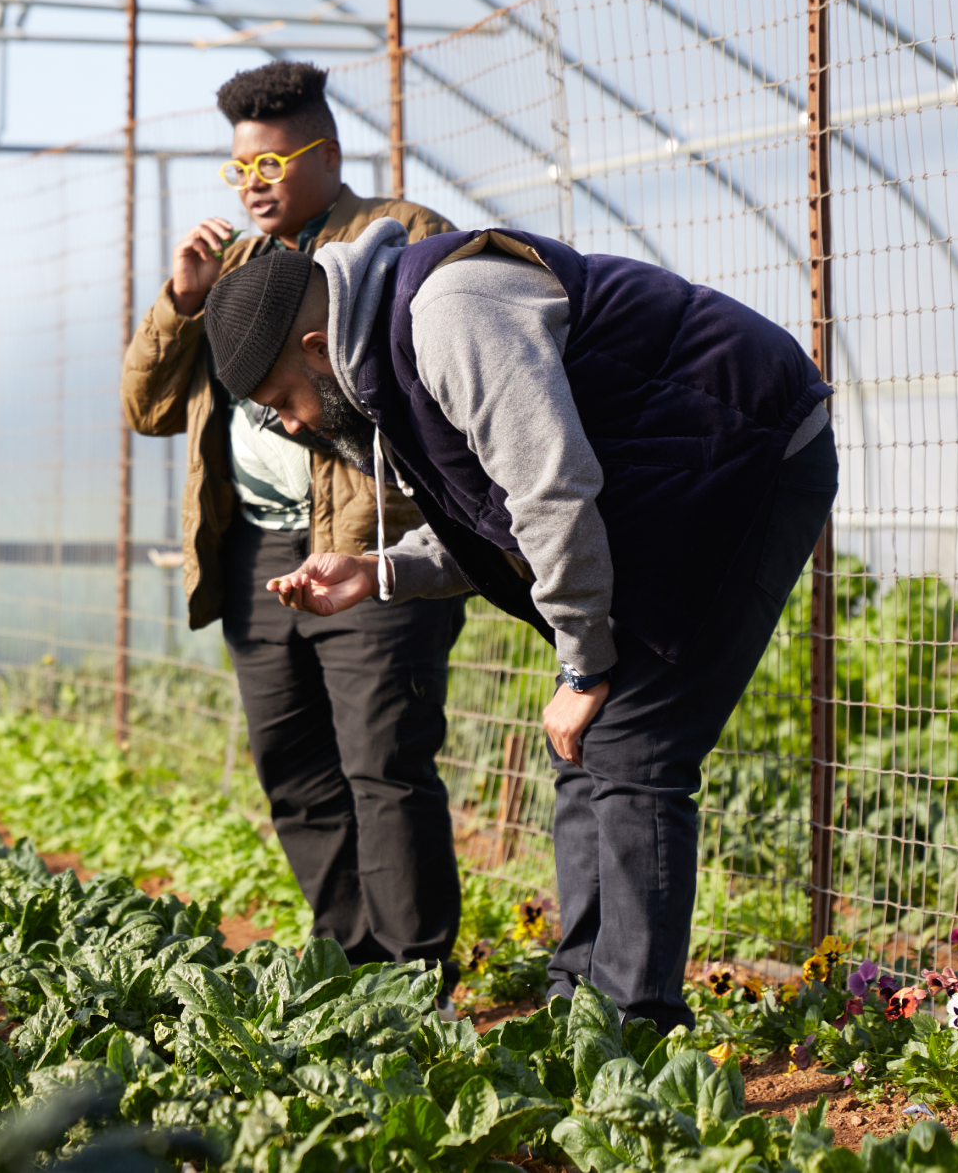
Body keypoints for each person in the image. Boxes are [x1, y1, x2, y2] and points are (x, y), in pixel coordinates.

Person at [194, 217, 838, 1031]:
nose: (291, 425)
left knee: (635, 744)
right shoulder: (385, 358)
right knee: (582, 746)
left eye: (281, 402)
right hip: (656, 471)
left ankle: (632, 1031)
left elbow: (551, 493)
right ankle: (577, 1005)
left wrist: (582, 668)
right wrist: (380, 569)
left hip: (741, 443)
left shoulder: (448, 314)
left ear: (317, 346)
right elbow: (492, 520)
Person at [120, 61, 469, 978]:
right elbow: (148, 408)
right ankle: (348, 966)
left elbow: (428, 384)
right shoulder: (227, 264)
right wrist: (181, 300)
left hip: (373, 543)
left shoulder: (401, 234)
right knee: (295, 768)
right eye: (239, 170)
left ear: (328, 152)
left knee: (384, 763)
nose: (253, 185)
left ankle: (412, 978)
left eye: (271, 164)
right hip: (256, 550)